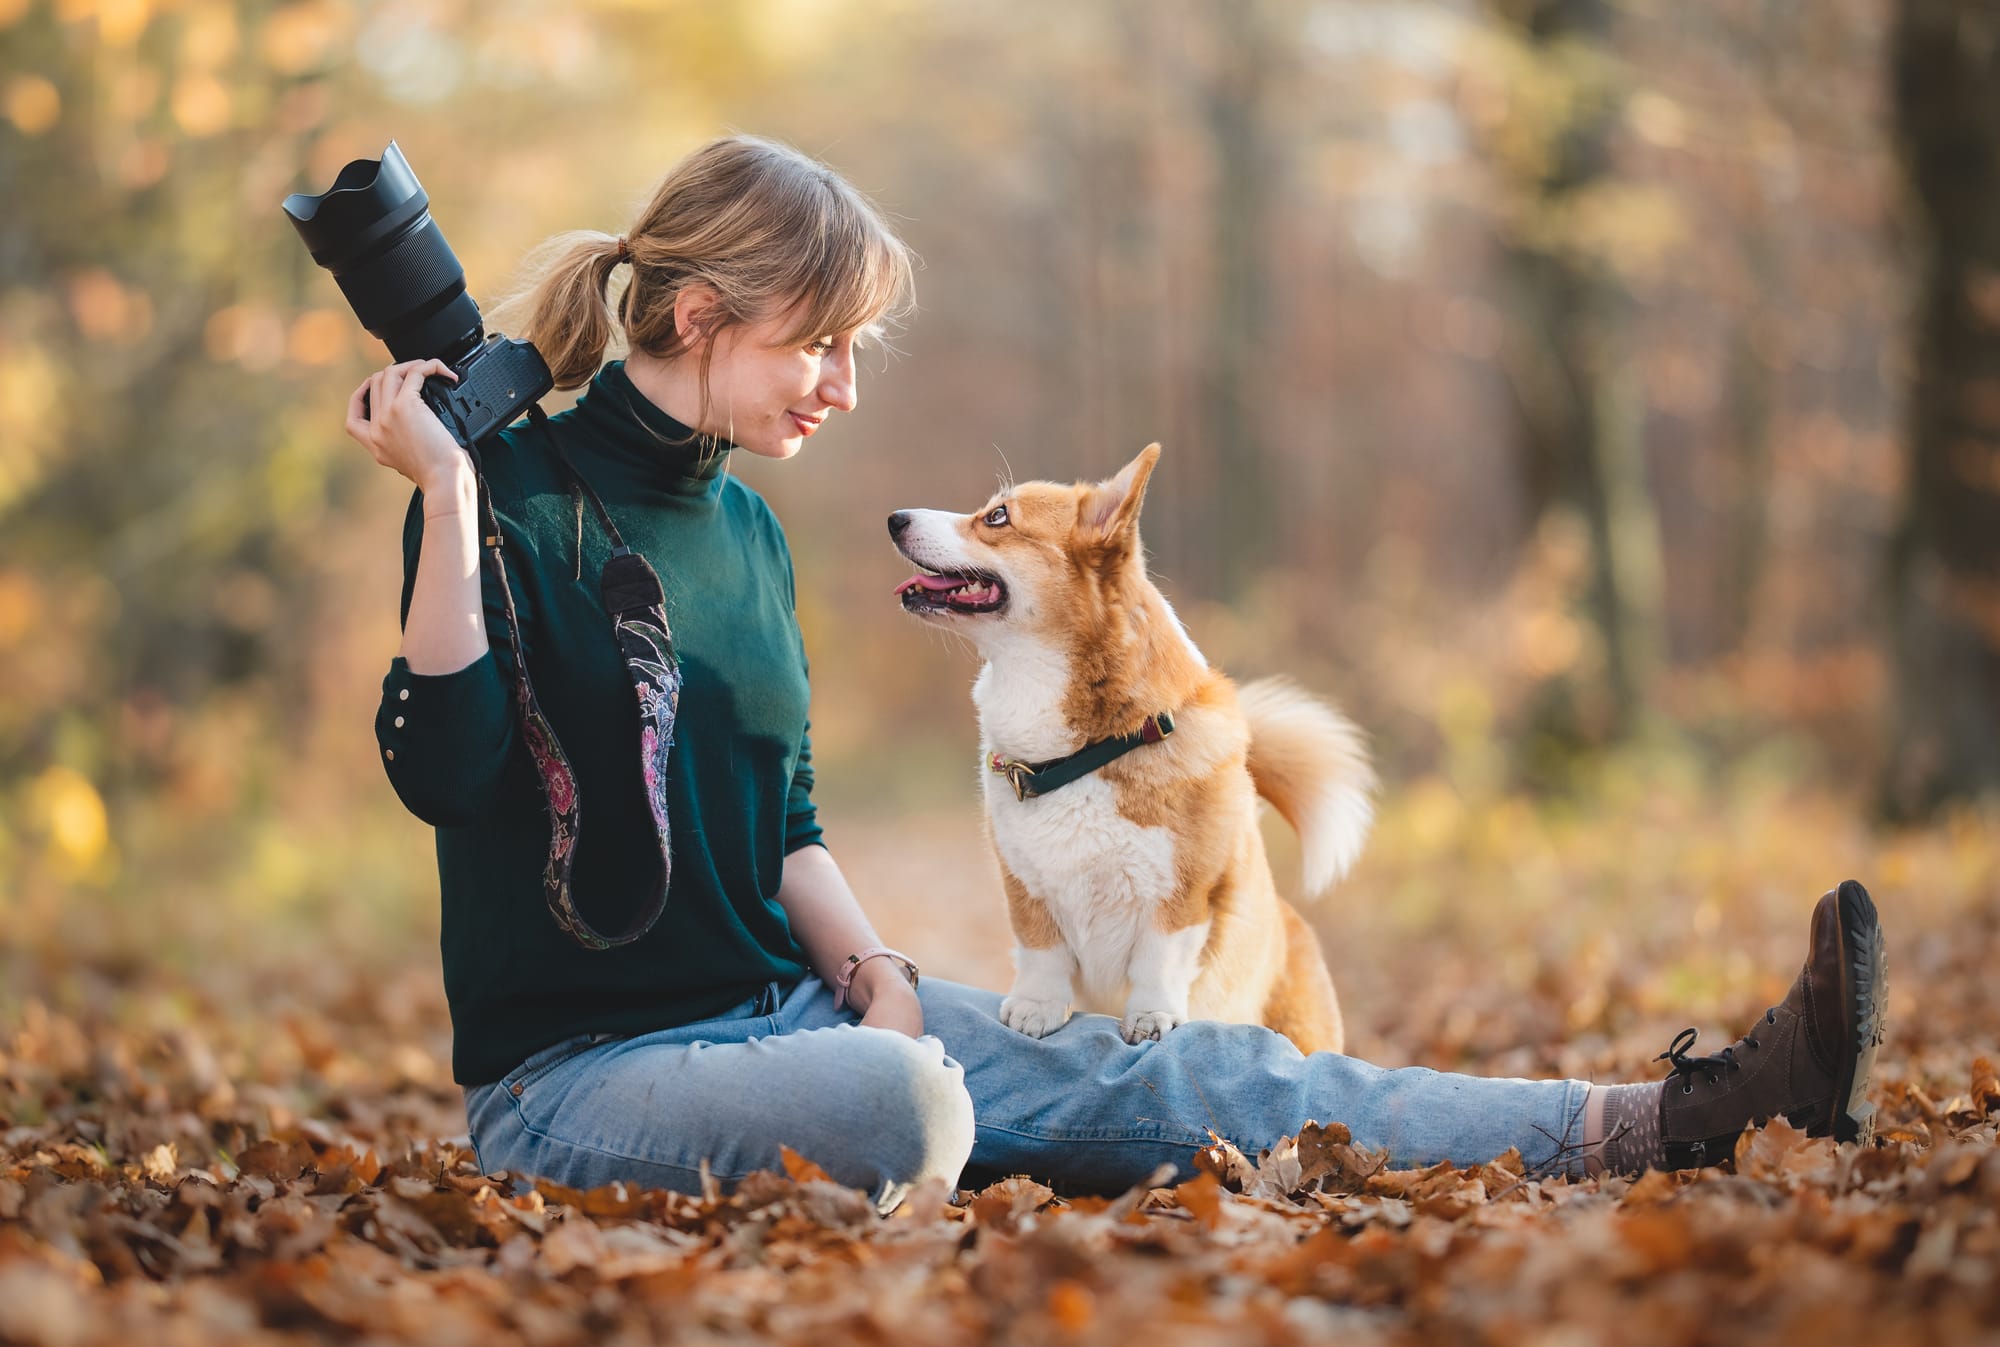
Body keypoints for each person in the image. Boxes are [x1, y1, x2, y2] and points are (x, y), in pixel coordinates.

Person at [344, 135, 1886, 1215]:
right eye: (826, 345)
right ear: (701, 316)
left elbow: (789, 822)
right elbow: (444, 770)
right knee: (913, 1107)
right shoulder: (507, 494)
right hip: (579, 1087)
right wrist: (453, 496)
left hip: (791, 1011)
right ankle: (910, 1109)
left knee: (1202, 1069)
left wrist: (876, 978)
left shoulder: (743, 532)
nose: (848, 386)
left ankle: (1681, 1116)